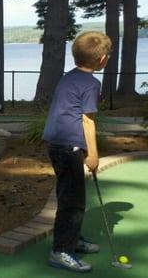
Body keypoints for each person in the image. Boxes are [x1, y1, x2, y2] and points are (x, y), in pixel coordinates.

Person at [42, 31, 111, 273]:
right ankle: (61, 251)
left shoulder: (68, 77)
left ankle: (72, 239)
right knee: (73, 201)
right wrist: (92, 154)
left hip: (55, 143)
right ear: (102, 59)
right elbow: (87, 120)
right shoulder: (92, 83)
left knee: (68, 196)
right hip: (69, 146)